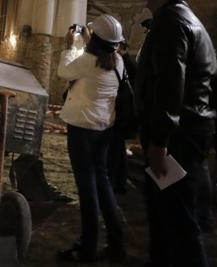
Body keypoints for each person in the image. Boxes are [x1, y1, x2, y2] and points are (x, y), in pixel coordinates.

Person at [136, 0, 217, 267]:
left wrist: (159, 140)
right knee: (165, 206)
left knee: (176, 212)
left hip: (178, 136)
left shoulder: (170, 21)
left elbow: (170, 85)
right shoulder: (191, 20)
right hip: (191, 129)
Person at [57, 15, 127, 263]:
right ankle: (116, 242)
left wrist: (68, 46)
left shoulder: (88, 61)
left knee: (87, 188)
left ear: (95, 40)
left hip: (82, 130)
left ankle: (88, 247)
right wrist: (90, 40)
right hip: (104, 128)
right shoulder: (118, 61)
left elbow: (63, 71)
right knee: (103, 182)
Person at [108, 40, 136, 194]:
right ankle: (118, 180)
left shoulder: (126, 64)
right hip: (122, 112)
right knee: (117, 148)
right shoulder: (124, 63)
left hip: (123, 113)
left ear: (124, 48)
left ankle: (117, 181)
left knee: (116, 149)